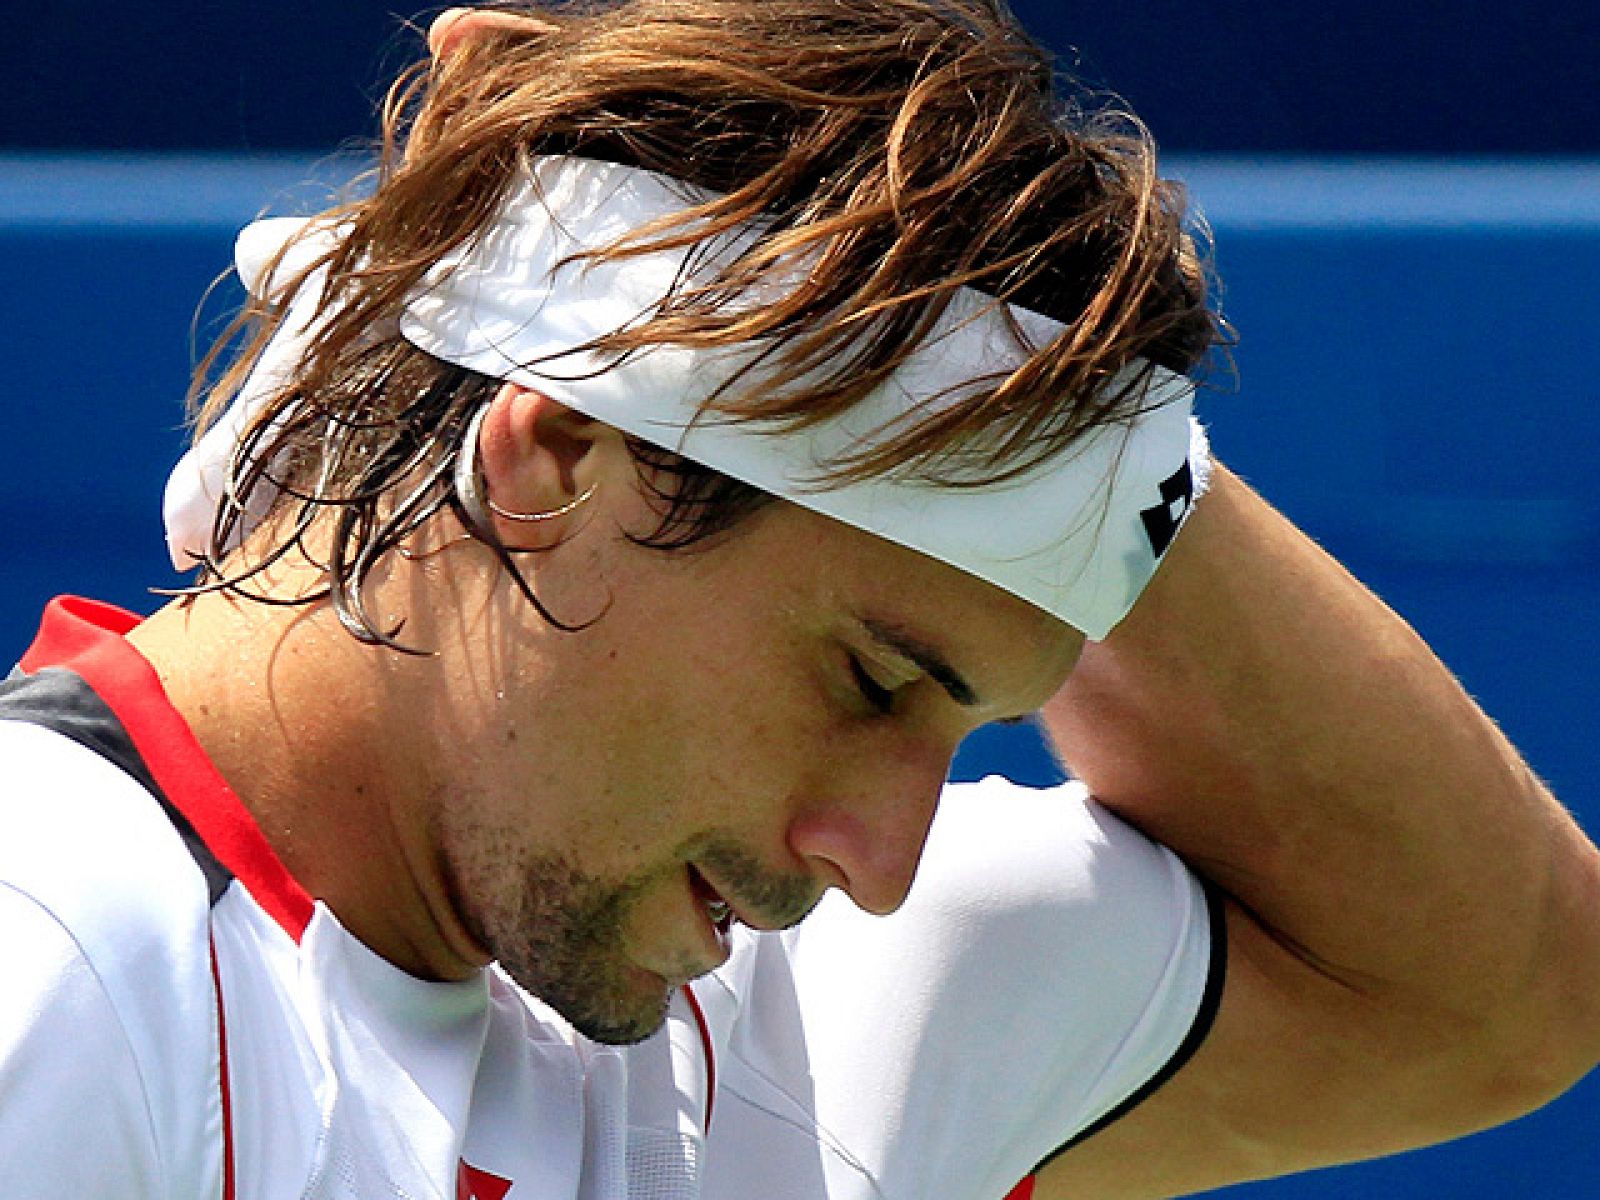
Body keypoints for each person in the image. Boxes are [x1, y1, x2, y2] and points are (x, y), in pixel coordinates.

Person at [2, 2, 1597, 1197]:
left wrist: (1087, 436)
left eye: (979, 716)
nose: (884, 863)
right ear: (555, 460)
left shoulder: (787, 1025)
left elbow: (1503, 989)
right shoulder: (53, 953)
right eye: (874, 680)